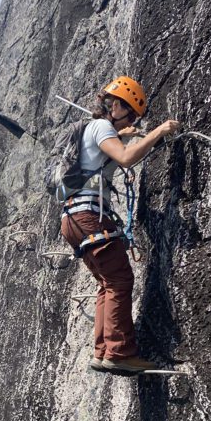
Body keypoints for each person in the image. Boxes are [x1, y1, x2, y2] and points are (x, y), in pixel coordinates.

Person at [60, 76, 179, 375]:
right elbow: (125, 158)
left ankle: (103, 351)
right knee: (119, 280)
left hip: (73, 218)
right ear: (116, 106)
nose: (132, 119)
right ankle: (119, 352)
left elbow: (109, 155)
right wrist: (158, 131)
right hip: (88, 214)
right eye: (130, 112)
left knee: (106, 283)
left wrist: (125, 134)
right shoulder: (100, 127)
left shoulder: (95, 130)